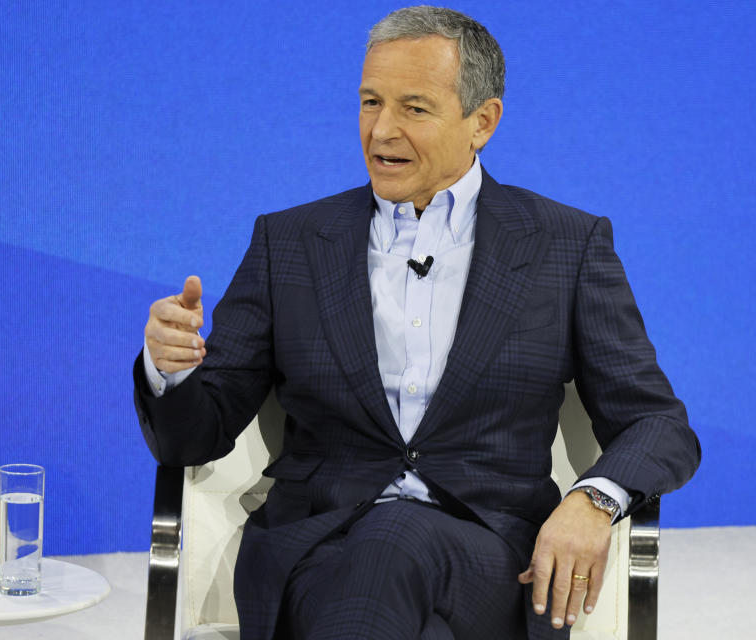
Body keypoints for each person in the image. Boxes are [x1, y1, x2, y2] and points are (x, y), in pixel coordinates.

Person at [134, 6, 700, 640]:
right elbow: (195, 438)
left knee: (397, 536)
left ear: (481, 122)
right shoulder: (289, 242)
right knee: (390, 573)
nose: (381, 130)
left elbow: (658, 424)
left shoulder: (563, 246)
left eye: (414, 108)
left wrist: (592, 501)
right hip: (318, 546)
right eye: (370, 102)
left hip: (492, 551)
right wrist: (171, 371)